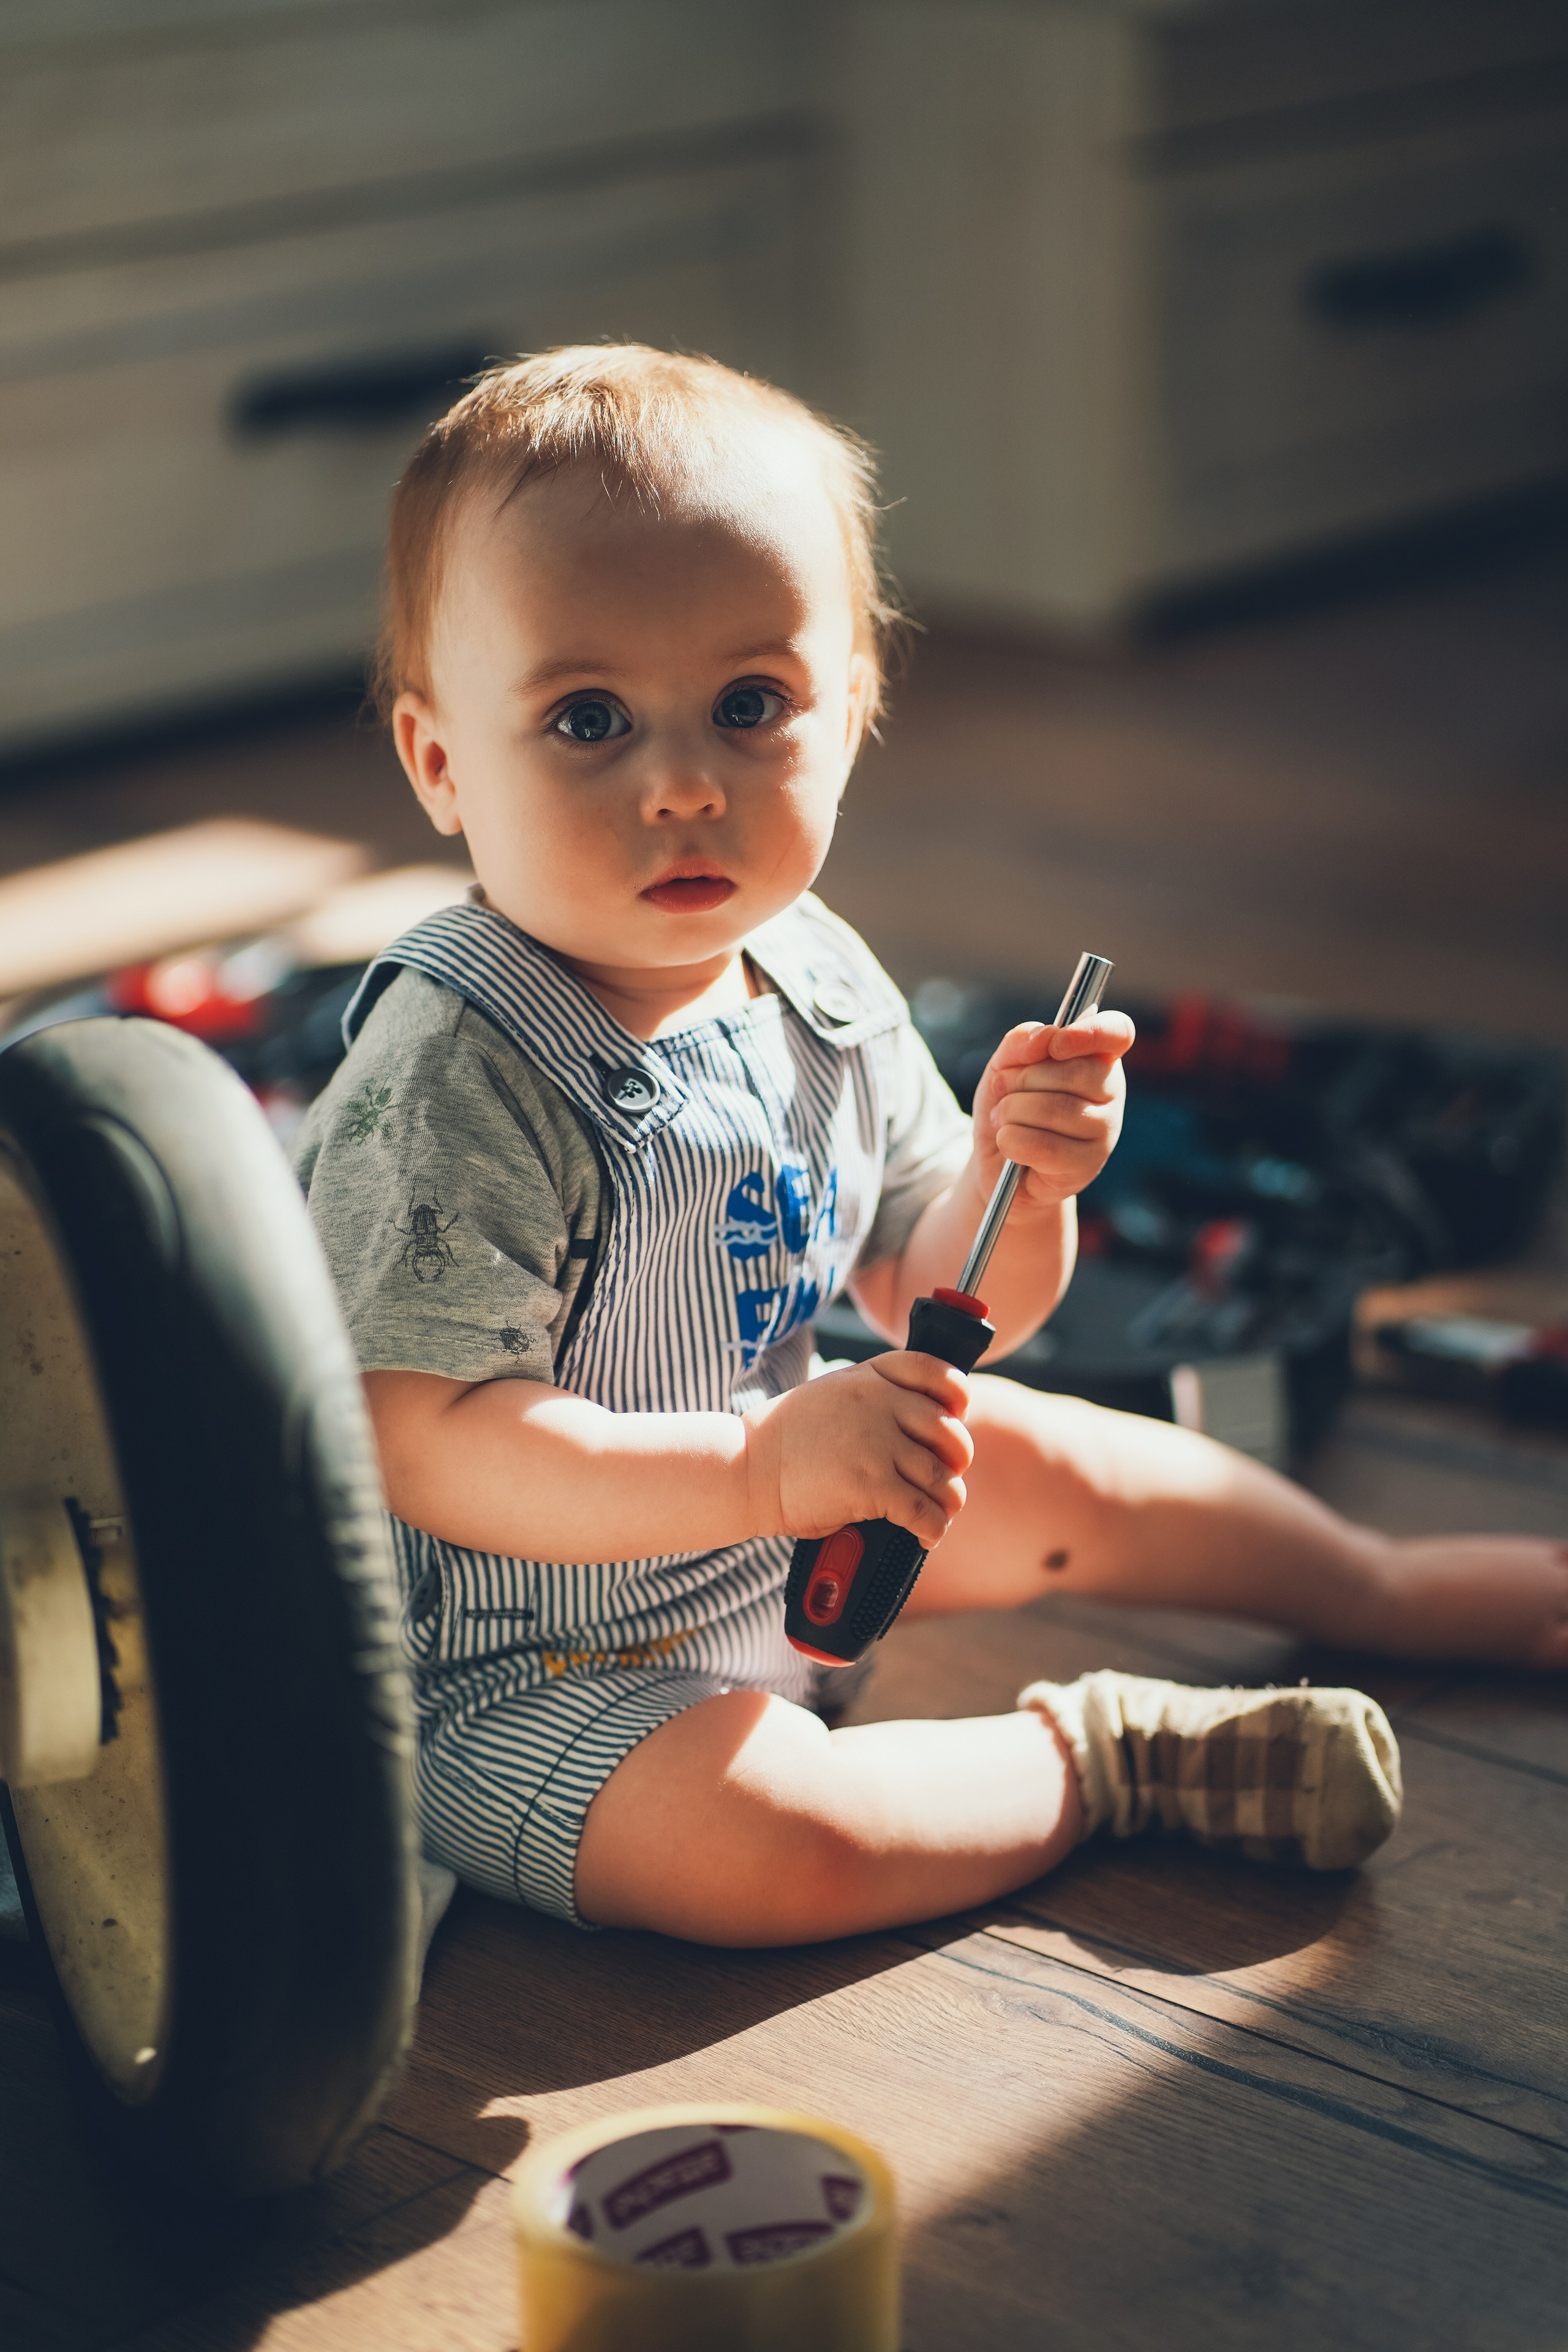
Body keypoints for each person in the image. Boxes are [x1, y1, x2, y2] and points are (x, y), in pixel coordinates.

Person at [293, 345, 1568, 1947]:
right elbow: (428, 1442)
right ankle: (1105, 1763)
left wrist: (1017, 1187)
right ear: (440, 765)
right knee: (767, 1848)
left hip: (793, 1525)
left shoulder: (815, 975)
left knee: (1059, 1457)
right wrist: (760, 1469)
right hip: (511, 1666)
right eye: (590, 719)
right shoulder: (455, 1075)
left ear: (855, 711)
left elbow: (935, 1292)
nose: (685, 785)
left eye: (750, 707)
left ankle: (1373, 1588)